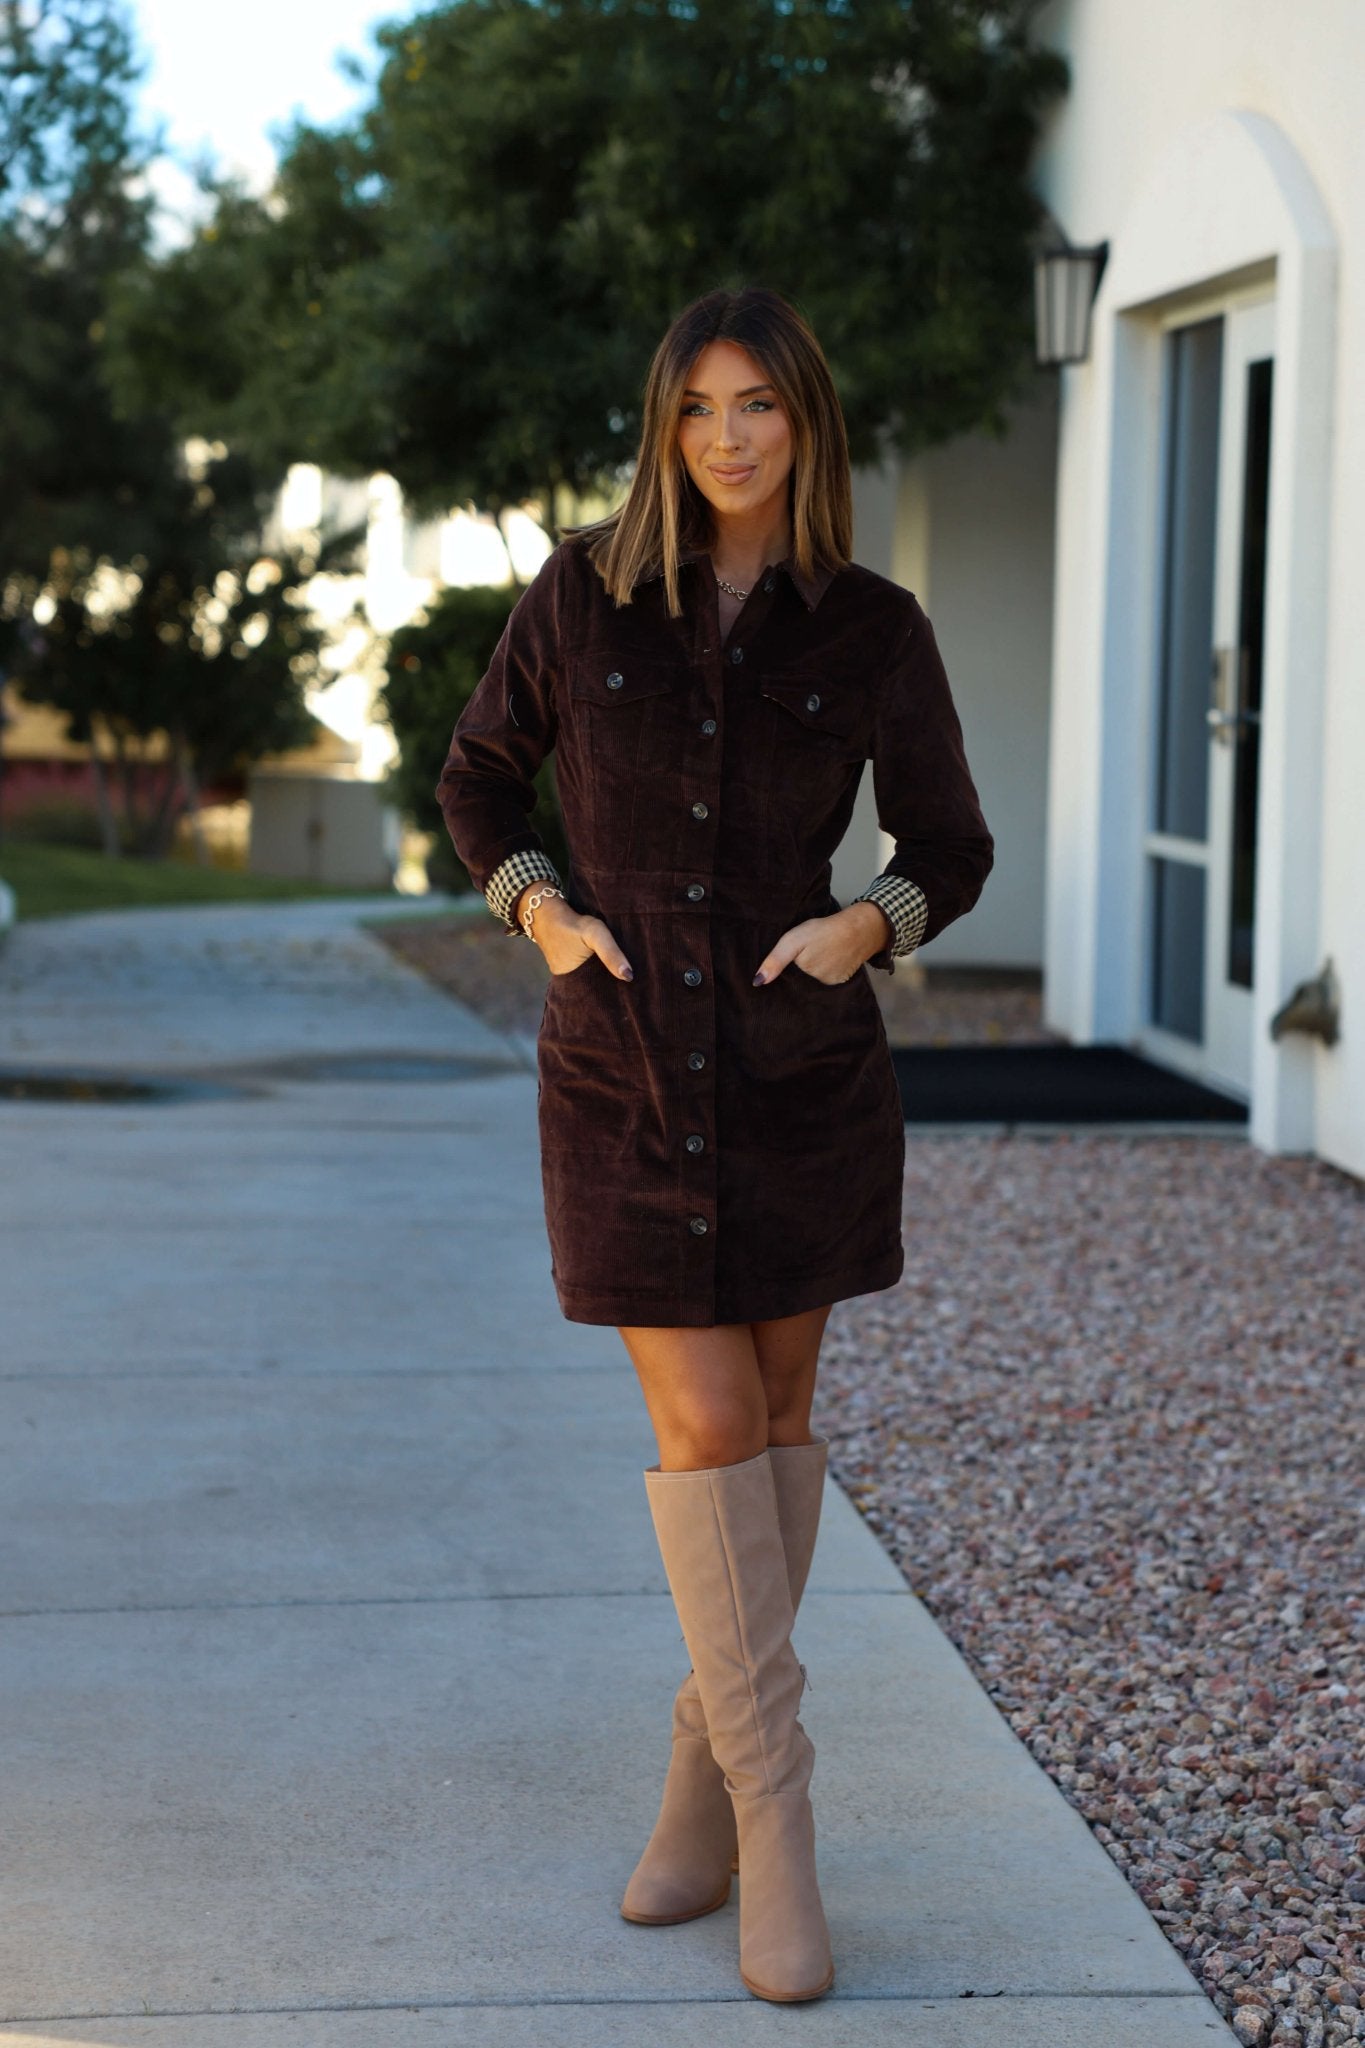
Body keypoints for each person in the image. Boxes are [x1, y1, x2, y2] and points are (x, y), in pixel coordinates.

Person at [436, 283, 993, 2004]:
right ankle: (781, 1817)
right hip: (620, 1077)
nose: (727, 438)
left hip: (797, 1076)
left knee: (780, 1428)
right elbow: (476, 779)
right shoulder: (580, 592)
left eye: (756, 405)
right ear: (661, 429)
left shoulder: (873, 626)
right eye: (696, 408)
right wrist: (543, 914)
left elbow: (950, 845)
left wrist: (861, 928)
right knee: (710, 1427)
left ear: (803, 422)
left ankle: (699, 1783)